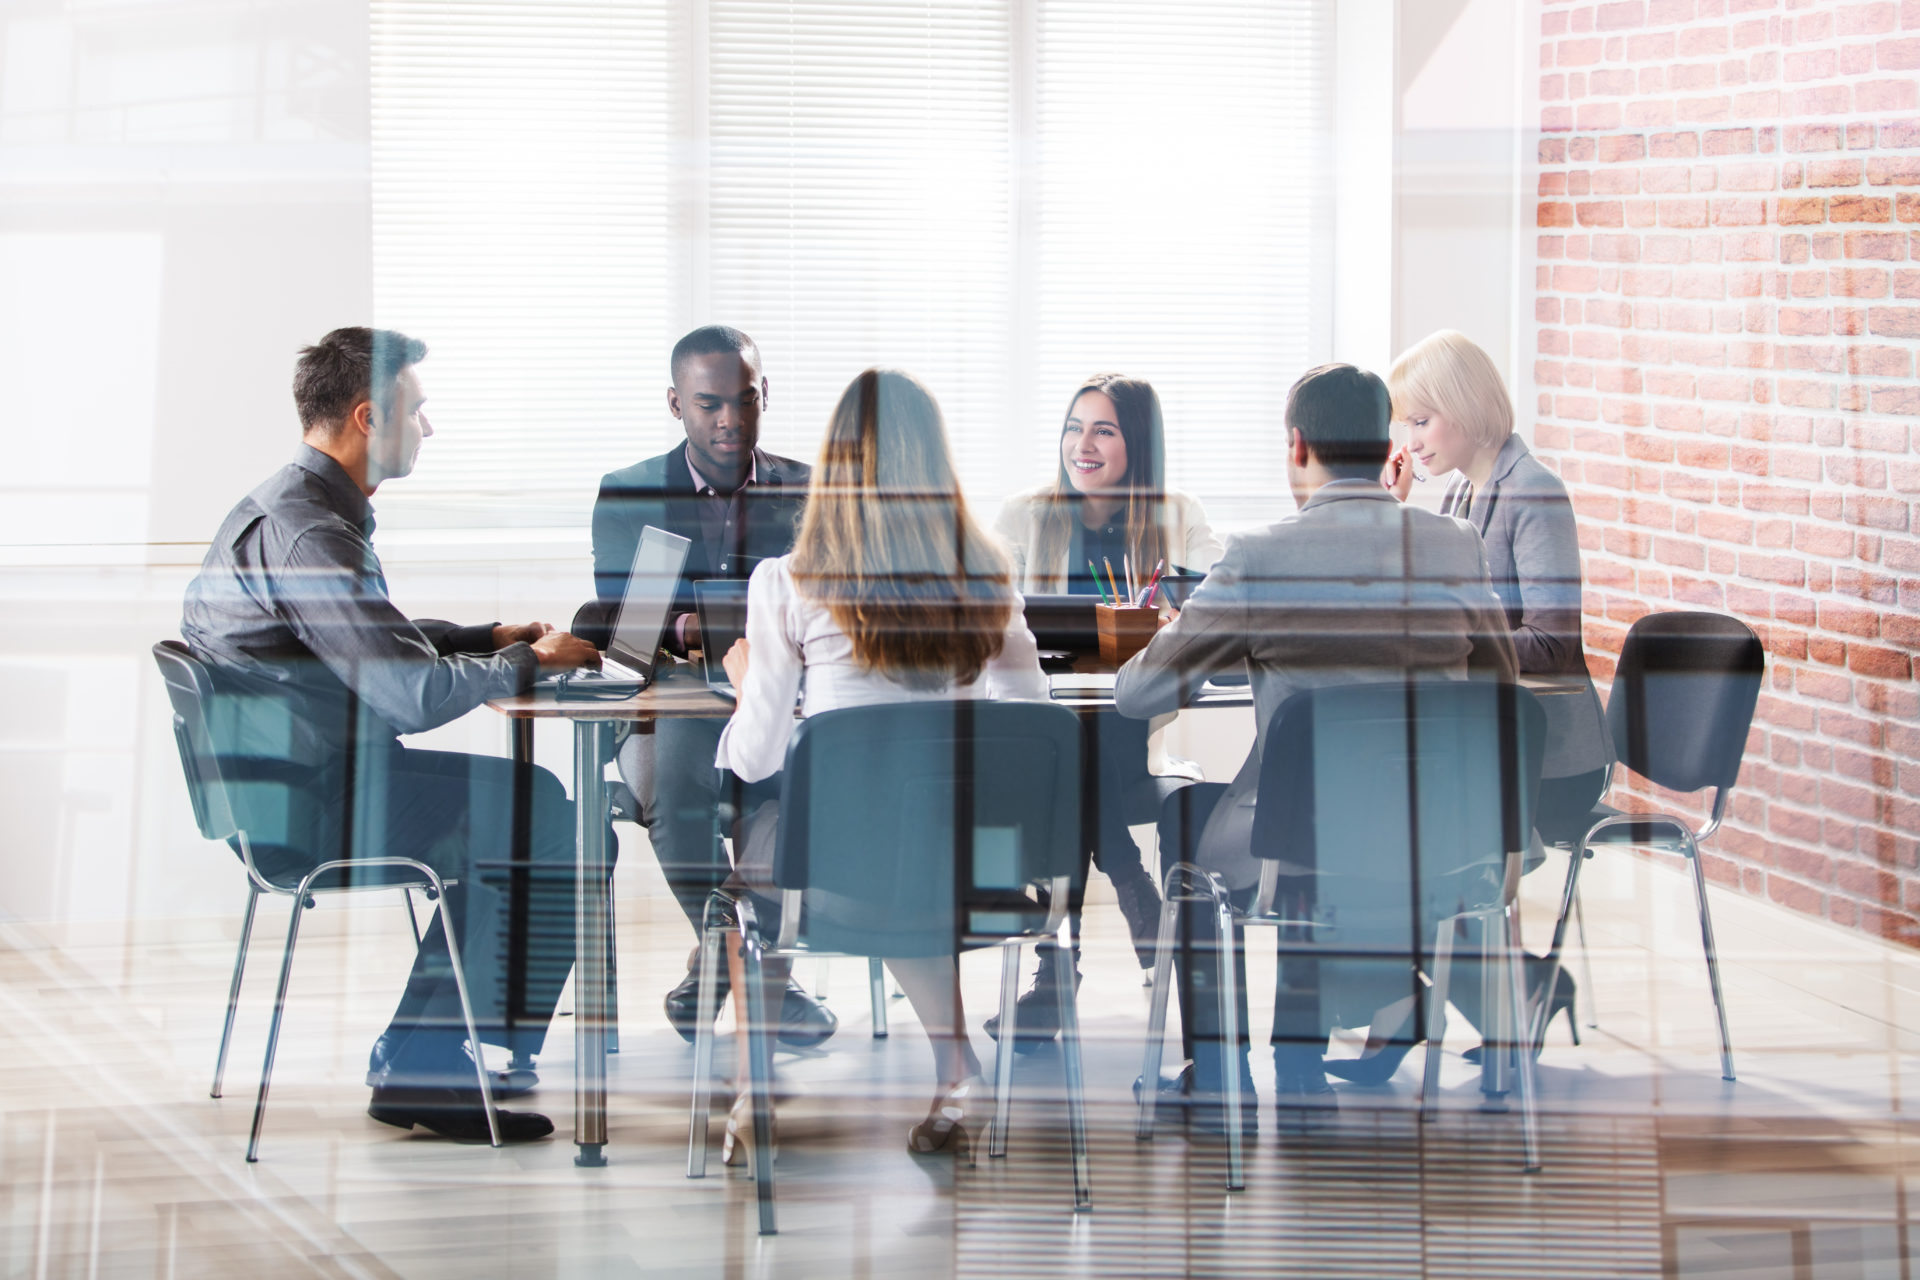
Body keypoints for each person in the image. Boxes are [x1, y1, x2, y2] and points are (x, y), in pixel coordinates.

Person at [181, 327, 602, 1143]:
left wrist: (481, 638)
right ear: (369, 418)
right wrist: (527, 659)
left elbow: (359, 639)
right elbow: (409, 696)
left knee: (530, 815)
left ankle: (428, 1057)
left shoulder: (291, 508)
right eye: (419, 409)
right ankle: (439, 1069)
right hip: (314, 805)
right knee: (554, 821)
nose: (429, 427)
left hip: (294, 786)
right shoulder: (310, 533)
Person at [1114, 362, 1518, 1126]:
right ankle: (1301, 1061)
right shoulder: (1454, 544)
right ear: (1384, 443)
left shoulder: (1261, 556)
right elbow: (1496, 688)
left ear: (1297, 445)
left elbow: (1140, 693)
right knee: (1315, 808)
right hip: (1433, 839)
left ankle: (1222, 1069)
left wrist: (1210, 638)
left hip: (1299, 845)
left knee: (1195, 817)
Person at [712, 368, 1049, 1167]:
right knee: (910, 835)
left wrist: (745, 683)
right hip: (972, 872)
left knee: (763, 843)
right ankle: (956, 1071)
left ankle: (754, 1091)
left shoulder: (789, 582)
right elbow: (1030, 715)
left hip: (840, 873)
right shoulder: (989, 572)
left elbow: (755, 755)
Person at [1344, 329, 1607, 1081]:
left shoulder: (1534, 492)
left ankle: (1417, 1001)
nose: (1411, 440)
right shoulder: (1461, 492)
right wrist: (1390, 510)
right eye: (1404, 424)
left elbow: (1556, 642)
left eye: (1422, 420)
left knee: (1405, 824)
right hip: (1481, 741)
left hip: (1549, 753)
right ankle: (1506, 988)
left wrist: (1449, 645)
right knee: (1383, 808)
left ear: (1463, 408)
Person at [586, 324, 834, 1047]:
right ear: (675, 404)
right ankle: (751, 969)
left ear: (764, 396)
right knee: (672, 781)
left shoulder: (808, 489)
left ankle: (727, 970)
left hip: (781, 697)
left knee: (784, 798)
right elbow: (623, 627)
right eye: (708, 405)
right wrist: (687, 629)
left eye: (745, 401)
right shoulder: (629, 493)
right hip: (671, 704)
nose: (729, 420)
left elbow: (829, 607)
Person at [988, 374, 1223, 1048]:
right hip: (1049, 721)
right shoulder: (1023, 515)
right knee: (1066, 745)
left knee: (1074, 757)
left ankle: (1054, 977)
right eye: (1073, 426)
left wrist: (1184, 606)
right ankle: (1126, 876)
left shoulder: (1177, 515)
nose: (1081, 445)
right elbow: (989, 603)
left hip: (1132, 724)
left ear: (1137, 442)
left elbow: (1217, 594)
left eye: (1103, 430)